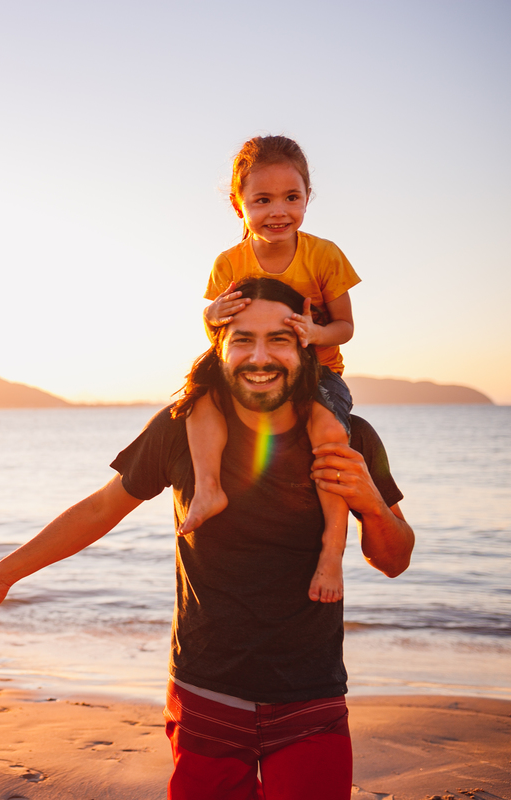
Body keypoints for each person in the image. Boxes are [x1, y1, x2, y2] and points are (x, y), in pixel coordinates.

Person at [0, 277, 414, 800]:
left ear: (306, 347)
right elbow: (100, 509)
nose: (260, 357)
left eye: (279, 339)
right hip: (205, 693)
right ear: (220, 347)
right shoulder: (181, 427)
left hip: (311, 698)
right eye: (242, 339)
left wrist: (373, 505)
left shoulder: (350, 436)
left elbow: (394, 560)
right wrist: (1, 575)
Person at [184, 135, 361, 604]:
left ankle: (332, 550)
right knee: (196, 400)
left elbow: (344, 327)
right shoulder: (229, 263)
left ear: (307, 197)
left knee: (329, 432)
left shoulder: (324, 255)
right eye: (262, 200)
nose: (278, 211)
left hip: (318, 371)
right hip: (254, 370)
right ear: (238, 204)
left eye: (291, 198)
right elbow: (220, 335)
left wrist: (314, 333)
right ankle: (208, 489)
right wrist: (210, 315)